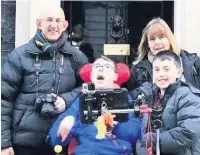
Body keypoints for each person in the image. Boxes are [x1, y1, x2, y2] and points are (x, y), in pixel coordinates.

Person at [1, 7, 88, 155]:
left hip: (63, 140)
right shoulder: (19, 56)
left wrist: (66, 100)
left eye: (57, 21)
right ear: (39, 24)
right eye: (49, 20)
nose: (53, 25)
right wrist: (3, 143)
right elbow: (4, 100)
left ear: (64, 25)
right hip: (24, 143)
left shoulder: (76, 57)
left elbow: (88, 89)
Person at [49, 56, 141, 155]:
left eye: (107, 67)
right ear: (91, 75)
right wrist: (69, 121)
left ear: (115, 76)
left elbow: (135, 133)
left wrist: (115, 127)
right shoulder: (81, 100)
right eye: (96, 66)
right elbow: (55, 140)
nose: (101, 68)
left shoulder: (125, 99)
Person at [136, 50, 200, 155]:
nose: (161, 74)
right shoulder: (149, 96)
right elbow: (144, 135)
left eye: (166, 69)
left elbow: (188, 132)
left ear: (178, 73)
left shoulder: (187, 96)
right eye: (157, 70)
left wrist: (153, 141)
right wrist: (143, 149)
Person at [128, 17, 200, 91]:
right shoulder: (137, 69)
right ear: (147, 44)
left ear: (169, 39)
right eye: (152, 39)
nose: (157, 42)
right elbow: (130, 97)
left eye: (161, 37)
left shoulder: (193, 62)